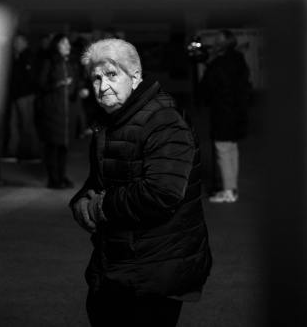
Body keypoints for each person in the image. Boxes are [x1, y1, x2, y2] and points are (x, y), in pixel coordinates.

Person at [69, 38, 212, 327]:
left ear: (135, 77)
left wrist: (99, 207)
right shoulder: (112, 121)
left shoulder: (165, 121)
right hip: (116, 264)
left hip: (154, 270)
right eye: (96, 78)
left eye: (112, 75)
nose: (102, 85)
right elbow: (98, 181)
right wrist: (81, 202)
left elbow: (161, 194)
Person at [200, 29, 251, 203]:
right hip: (238, 111)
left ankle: (228, 191)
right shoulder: (239, 59)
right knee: (232, 149)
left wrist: (209, 65)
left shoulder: (219, 64)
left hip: (223, 112)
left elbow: (207, 88)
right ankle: (232, 187)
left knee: (223, 150)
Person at [35, 33, 84, 189]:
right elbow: (41, 85)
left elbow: (76, 84)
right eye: (63, 44)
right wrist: (58, 84)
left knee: (64, 145)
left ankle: (62, 176)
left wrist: (80, 91)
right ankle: (53, 178)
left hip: (68, 110)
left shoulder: (71, 63)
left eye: (68, 44)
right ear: (56, 46)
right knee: (53, 145)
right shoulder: (49, 62)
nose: (67, 46)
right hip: (53, 109)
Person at [3, 30, 42, 161]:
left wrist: (19, 90)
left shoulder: (28, 56)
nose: (15, 44)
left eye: (17, 41)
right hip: (18, 95)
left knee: (26, 124)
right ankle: (14, 151)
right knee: (15, 124)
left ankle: (28, 153)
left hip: (24, 95)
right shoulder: (19, 56)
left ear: (24, 42)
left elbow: (29, 78)